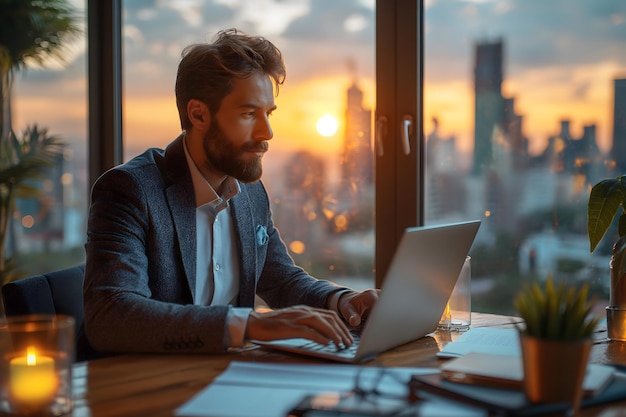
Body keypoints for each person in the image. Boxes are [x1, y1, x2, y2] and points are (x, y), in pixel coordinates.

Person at [83, 28, 379, 356]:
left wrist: (342, 300)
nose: (267, 132)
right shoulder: (130, 191)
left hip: (228, 378)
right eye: (248, 114)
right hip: (154, 388)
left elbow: (280, 279)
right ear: (199, 114)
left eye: (268, 114)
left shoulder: (250, 191)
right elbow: (112, 316)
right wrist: (250, 325)